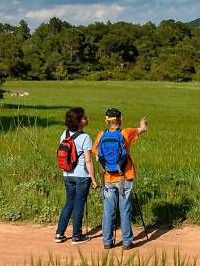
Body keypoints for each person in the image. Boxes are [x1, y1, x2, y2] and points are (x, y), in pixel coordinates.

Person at [93, 107, 148, 250]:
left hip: (108, 178)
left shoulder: (101, 135)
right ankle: (127, 242)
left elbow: (97, 153)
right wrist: (143, 123)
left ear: (107, 121)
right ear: (120, 118)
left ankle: (107, 241)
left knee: (108, 211)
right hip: (125, 176)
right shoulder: (126, 133)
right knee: (125, 210)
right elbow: (142, 129)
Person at [55, 107, 98, 244]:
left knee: (69, 202)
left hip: (67, 174)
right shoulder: (85, 137)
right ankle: (76, 236)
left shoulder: (65, 134)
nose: (87, 118)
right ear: (79, 122)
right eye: (84, 117)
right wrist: (93, 178)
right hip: (81, 176)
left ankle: (59, 233)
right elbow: (88, 160)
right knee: (79, 205)